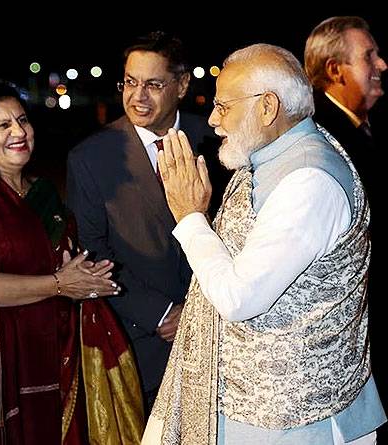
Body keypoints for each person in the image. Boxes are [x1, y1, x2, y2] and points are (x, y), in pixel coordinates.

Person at [144, 43, 386, 445]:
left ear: (268, 107)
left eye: (224, 106)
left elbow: (240, 298)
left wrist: (190, 217)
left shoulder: (308, 181)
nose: (214, 119)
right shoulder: (271, 155)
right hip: (255, 415)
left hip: (296, 420)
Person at [0, 81, 144, 444]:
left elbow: (58, 265)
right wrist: (60, 285)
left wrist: (87, 278)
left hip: (49, 355)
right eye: (2, 125)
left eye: (22, 120)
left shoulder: (42, 193)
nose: (19, 132)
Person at [67, 31, 223, 410]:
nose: (138, 96)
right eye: (130, 82)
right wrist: (160, 314)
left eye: (153, 85)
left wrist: (203, 310)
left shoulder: (219, 142)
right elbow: (91, 252)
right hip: (143, 346)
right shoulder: (91, 158)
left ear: (182, 85)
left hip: (220, 335)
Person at [305, 18, 388, 440]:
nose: (382, 65)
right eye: (369, 56)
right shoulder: (326, 139)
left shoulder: (359, 127)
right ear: (335, 70)